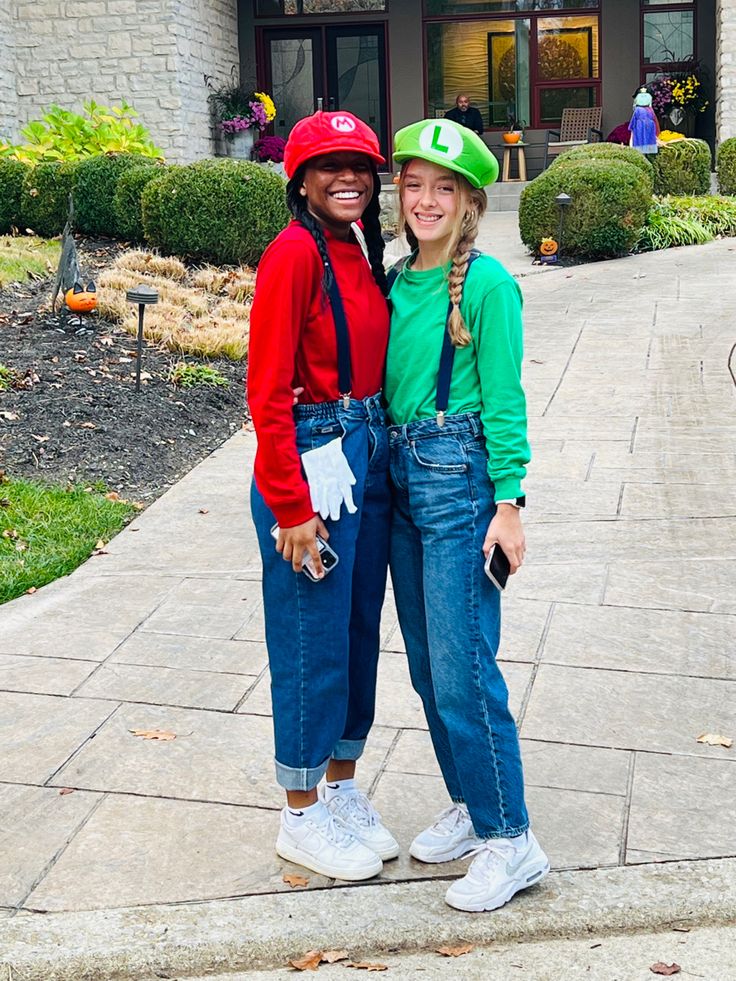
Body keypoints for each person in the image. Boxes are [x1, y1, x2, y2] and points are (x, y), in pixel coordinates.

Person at [384, 117, 549, 912]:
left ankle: (512, 837)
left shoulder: (486, 285)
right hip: (401, 481)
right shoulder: (396, 280)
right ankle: (471, 802)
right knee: (425, 667)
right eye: (413, 185)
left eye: (442, 188)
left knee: (464, 670)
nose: (425, 199)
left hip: (459, 483)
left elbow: (508, 404)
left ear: (470, 201)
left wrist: (509, 505)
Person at [247, 110, 399, 881]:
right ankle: (299, 813)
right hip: (310, 466)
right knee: (310, 641)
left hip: (362, 453)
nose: (349, 177)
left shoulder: (354, 248)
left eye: (362, 166)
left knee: (355, 634)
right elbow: (267, 391)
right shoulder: (293, 254)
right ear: (300, 179)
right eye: (330, 165)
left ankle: (338, 790)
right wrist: (289, 506)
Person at [629, 87, 660, 154]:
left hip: (641, 129)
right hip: (642, 129)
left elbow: (633, 122)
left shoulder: (639, 110)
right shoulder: (649, 110)